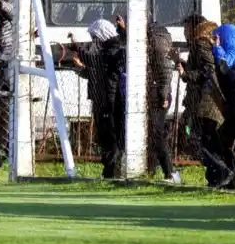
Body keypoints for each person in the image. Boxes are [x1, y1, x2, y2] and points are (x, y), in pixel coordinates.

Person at [114, 16, 179, 183]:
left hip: (158, 94)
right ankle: (151, 170)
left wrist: (163, 94)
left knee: (156, 133)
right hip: (150, 92)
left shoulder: (157, 44)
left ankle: (170, 173)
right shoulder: (148, 42)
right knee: (149, 133)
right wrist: (125, 29)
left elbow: (164, 72)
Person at [176, 15, 233, 188]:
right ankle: (217, 177)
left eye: (186, 28)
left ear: (194, 27)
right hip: (211, 99)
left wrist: (186, 74)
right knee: (211, 139)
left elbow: (207, 71)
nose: (185, 32)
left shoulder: (199, 43)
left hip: (205, 100)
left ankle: (221, 171)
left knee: (197, 137)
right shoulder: (206, 42)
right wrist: (184, 65)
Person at [70, 19, 125, 179]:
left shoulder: (115, 49)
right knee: (105, 136)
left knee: (111, 137)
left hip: (109, 100)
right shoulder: (108, 49)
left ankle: (111, 172)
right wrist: (81, 67)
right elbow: (97, 69)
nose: (94, 40)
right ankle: (109, 170)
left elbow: (95, 61)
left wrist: (77, 47)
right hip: (102, 98)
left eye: (95, 36)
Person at [210, 22, 235, 188]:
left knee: (234, 141)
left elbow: (225, 68)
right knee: (226, 141)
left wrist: (217, 48)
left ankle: (234, 177)